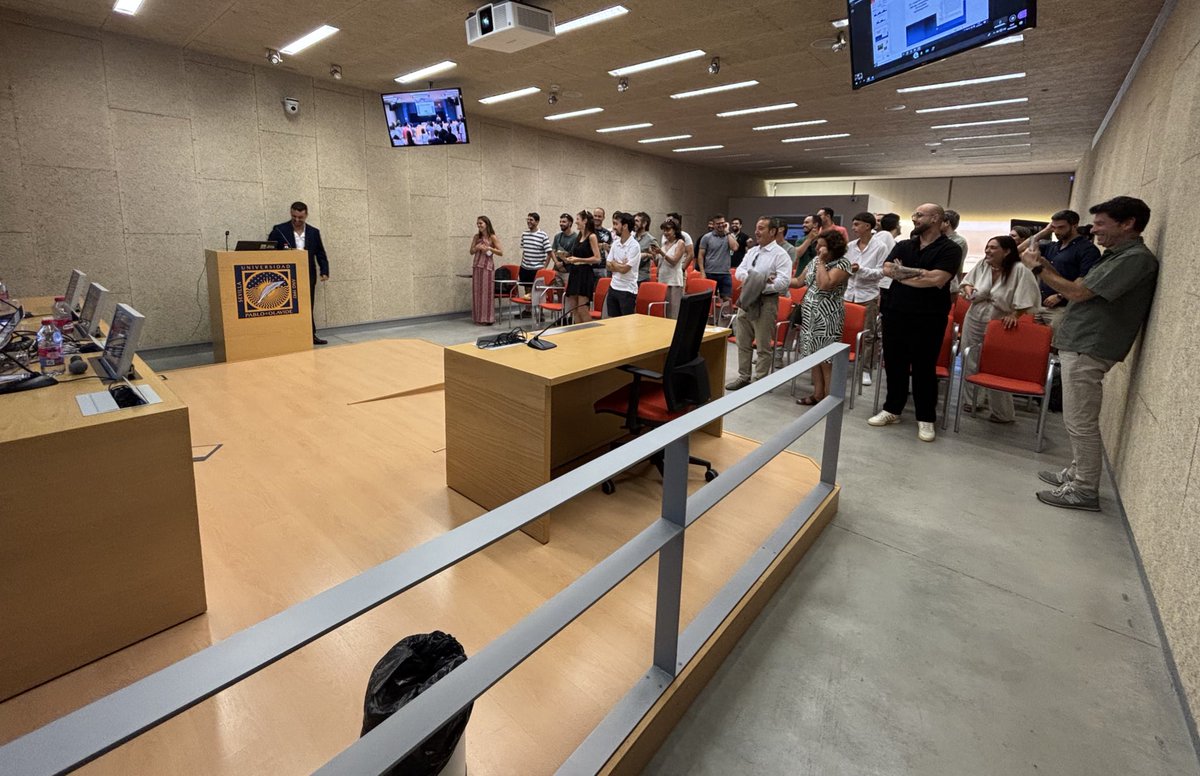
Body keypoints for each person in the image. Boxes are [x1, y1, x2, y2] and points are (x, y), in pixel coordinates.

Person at [1021, 196, 1159, 511]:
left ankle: (1084, 488)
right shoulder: (1114, 255)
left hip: (1090, 347)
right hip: (1080, 343)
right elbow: (1078, 284)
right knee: (1075, 418)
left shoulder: (1135, 259)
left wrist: (1040, 267)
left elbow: (1078, 293)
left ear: (1128, 224)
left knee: (1080, 420)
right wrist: (1045, 263)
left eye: (1100, 224)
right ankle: (1076, 471)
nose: (1093, 230)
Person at [869, 203, 961, 442]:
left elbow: (937, 279)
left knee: (923, 367)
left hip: (929, 317)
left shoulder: (950, 249)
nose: (915, 218)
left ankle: (926, 418)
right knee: (895, 363)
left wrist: (905, 273)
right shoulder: (903, 245)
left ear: (936, 218)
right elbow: (888, 269)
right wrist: (918, 273)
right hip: (896, 312)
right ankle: (892, 409)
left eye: (920, 215)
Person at [958, 235, 1041, 423]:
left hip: (1001, 320)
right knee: (969, 357)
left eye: (993, 248)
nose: (987, 251)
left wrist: (1015, 315)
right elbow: (967, 282)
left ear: (1007, 251)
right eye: (987, 247)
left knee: (996, 365)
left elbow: (1029, 298)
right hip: (975, 316)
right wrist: (969, 288)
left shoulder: (1020, 270)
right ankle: (972, 401)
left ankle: (1002, 412)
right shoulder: (983, 265)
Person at [726, 217, 793, 390]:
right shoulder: (753, 251)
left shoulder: (781, 255)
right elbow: (739, 271)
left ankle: (761, 381)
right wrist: (758, 279)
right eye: (756, 228)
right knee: (743, 341)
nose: (756, 232)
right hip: (747, 298)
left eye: (761, 228)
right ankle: (744, 376)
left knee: (763, 345)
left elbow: (783, 282)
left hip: (766, 302)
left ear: (772, 232)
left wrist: (758, 283)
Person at [795, 230, 852, 406]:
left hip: (827, 318)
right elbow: (799, 282)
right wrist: (772, 280)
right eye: (817, 244)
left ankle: (829, 399)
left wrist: (820, 261)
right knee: (813, 357)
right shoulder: (815, 261)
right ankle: (818, 394)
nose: (817, 248)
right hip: (810, 316)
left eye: (821, 245)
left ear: (832, 248)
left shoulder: (843, 264)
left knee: (826, 360)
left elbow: (825, 284)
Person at [1021, 209, 1102, 329]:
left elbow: (1084, 281)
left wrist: (1059, 296)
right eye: (1054, 227)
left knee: (1055, 344)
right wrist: (1045, 231)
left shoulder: (1087, 250)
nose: (1056, 231)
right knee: (1035, 344)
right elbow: (1018, 250)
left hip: (1062, 308)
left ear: (1074, 225)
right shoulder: (1053, 246)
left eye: (1061, 227)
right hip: (1040, 305)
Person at [270, 201, 329, 345]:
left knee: (308, 305)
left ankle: (310, 334)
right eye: (294, 216)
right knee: (287, 305)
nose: (296, 220)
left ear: (306, 215)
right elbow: (270, 250)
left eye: (300, 217)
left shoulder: (313, 232)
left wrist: (324, 270)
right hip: (285, 275)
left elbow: (320, 253)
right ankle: (287, 335)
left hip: (308, 274)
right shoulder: (279, 230)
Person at [844, 212, 889, 386]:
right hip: (849, 294)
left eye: (857, 224)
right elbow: (845, 267)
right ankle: (843, 363)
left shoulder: (880, 247)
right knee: (846, 331)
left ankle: (865, 370)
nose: (854, 228)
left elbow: (881, 272)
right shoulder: (850, 246)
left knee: (868, 335)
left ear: (868, 226)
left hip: (868, 295)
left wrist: (860, 269)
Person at [564, 209, 600, 324]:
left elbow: (597, 258)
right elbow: (576, 254)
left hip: (585, 274)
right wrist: (567, 258)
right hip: (575, 273)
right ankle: (578, 333)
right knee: (574, 309)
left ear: (585, 221)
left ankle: (589, 334)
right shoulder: (578, 236)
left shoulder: (592, 236)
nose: (576, 222)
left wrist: (578, 259)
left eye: (578, 220)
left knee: (582, 309)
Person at [469, 216, 503, 325]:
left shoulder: (492, 237)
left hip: (487, 267)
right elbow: (471, 251)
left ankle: (488, 318)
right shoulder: (476, 237)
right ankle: (478, 318)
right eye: (477, 224)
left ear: (486, 224)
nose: (479, 225)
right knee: (477, 292)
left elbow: (501, 252)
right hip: (477, 266)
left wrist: (490, 248)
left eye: (481, 223)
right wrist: (477, 247)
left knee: (486, 293)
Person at [696, 213, 736, 305]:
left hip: (725, 273)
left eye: (723, 223)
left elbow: (734, 248)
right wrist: (702, 272)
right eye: (718, 224)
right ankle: (709, 316)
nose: (721, 225)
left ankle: (725, 316)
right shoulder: (706, 237)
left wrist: (728, 232)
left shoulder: (729, 236)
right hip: (710, 272)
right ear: (713, 225)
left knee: (727, 298)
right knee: (708, 298)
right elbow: (700, 255)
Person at [651, 219, 688, 317]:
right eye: (664, 230)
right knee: (663, 310)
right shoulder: (664, 244)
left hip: (674, 280)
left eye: (668, 230)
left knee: (673, 311)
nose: (665, 233)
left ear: (675, 230)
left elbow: (674, 261)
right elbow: (658, 263)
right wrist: (654, 255)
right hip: (663, 279)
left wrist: (661, 253)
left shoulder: (680, 243)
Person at [606, 212, 639, 317]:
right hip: (613, 287)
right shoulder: (615, 243)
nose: (614, 227)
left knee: (626, 325)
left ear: (625, 226)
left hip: (627, 290)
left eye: (616, 224)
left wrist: (614, 264)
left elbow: (625, 269)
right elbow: (607, 265)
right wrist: (619, 265)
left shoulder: (634, 246)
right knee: (612, 322)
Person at [518, 212, 553, 297]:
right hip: (525, 267)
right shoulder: (524, 234)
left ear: (537, 222)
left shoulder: (543, 235)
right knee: (527, 290)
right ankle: (528, 309)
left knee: (536, 291)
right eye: (528, 219)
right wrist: (522, 262)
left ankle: (536, 310)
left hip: (537, 268)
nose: (529, 221)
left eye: (531, 220)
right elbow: (524, 250)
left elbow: (549, 252)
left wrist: (544, 268)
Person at [550, 212, 578, 290]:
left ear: (570, 223)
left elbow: (574, 255)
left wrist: (562, 263)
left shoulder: (576, 238)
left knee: (568, 293)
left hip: (568, 271)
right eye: (560, 221)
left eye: (564, 222)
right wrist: (557, 263)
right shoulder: (557, 236)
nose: (561, 223)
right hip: (557, 270)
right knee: (558, 292)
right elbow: (552, 251)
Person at [634, 212, 656, 284]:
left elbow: (656, 258)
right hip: (631, 277)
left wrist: (647, 255)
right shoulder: (632, 238)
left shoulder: (651, 240)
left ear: (644, 224)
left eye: (637, 221)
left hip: (642, 278)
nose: (634, 223)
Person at [592, 207, 612, 279]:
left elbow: (611, 252)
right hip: (589, 266)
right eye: (595, 216)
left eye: (599, 216)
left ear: (603, 218)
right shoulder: (587, 231)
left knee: (601, 289)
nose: (597, 218)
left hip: (602, 267)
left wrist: (607, 248)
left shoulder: (607, 233)